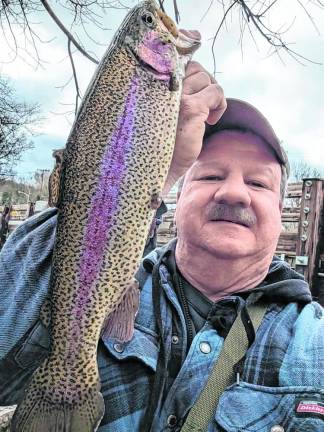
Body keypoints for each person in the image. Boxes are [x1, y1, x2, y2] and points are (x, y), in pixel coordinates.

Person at [0, 61, 323, 432]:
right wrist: (151, 166)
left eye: (258, 184)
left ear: (281, 213)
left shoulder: (313, 343)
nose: (234, 192)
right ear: (177, 195)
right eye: (211, 175)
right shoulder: (106, 283)